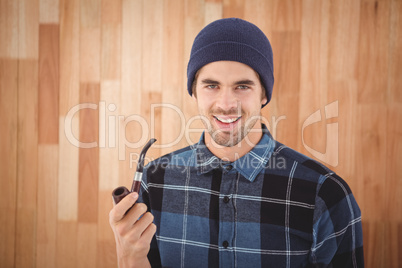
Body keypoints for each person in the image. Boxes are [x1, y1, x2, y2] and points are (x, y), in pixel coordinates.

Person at [109, 18, 364, 268]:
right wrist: (129, 258)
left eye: (242, 86)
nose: (226, 104)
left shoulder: (326, 194)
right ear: (194, 91)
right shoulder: (155, 180)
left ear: (264, 94)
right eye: (211, 85)